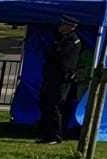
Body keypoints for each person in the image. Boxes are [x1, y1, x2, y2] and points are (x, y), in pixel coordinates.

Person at [38, 15, 84, 144]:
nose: (61, 27)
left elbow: (64, 60)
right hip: (52, 77)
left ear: (70, 27)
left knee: (55, 106)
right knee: (46, 104)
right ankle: (47, 134)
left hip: (62, 78)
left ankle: (56, 135)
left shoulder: (73, 41)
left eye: (64, 25)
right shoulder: (60, 38)